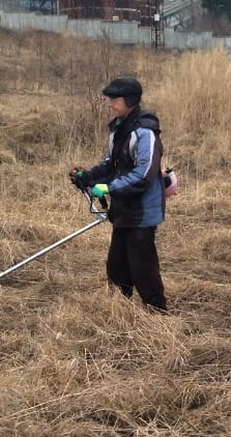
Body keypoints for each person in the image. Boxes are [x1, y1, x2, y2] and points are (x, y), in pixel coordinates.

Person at [70, 77, 168, 313]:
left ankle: (158, 315)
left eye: (114, 98)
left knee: (142, 266)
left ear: (130, 100)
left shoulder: (145, 132)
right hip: (124, 208)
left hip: (143, 211)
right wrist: (87, 177)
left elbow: (144, 173)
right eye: (108, 98)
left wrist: (110, 188)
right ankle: (119, 312)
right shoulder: (119, 129)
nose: (109, 103)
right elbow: (110, 164)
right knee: (117, 266)